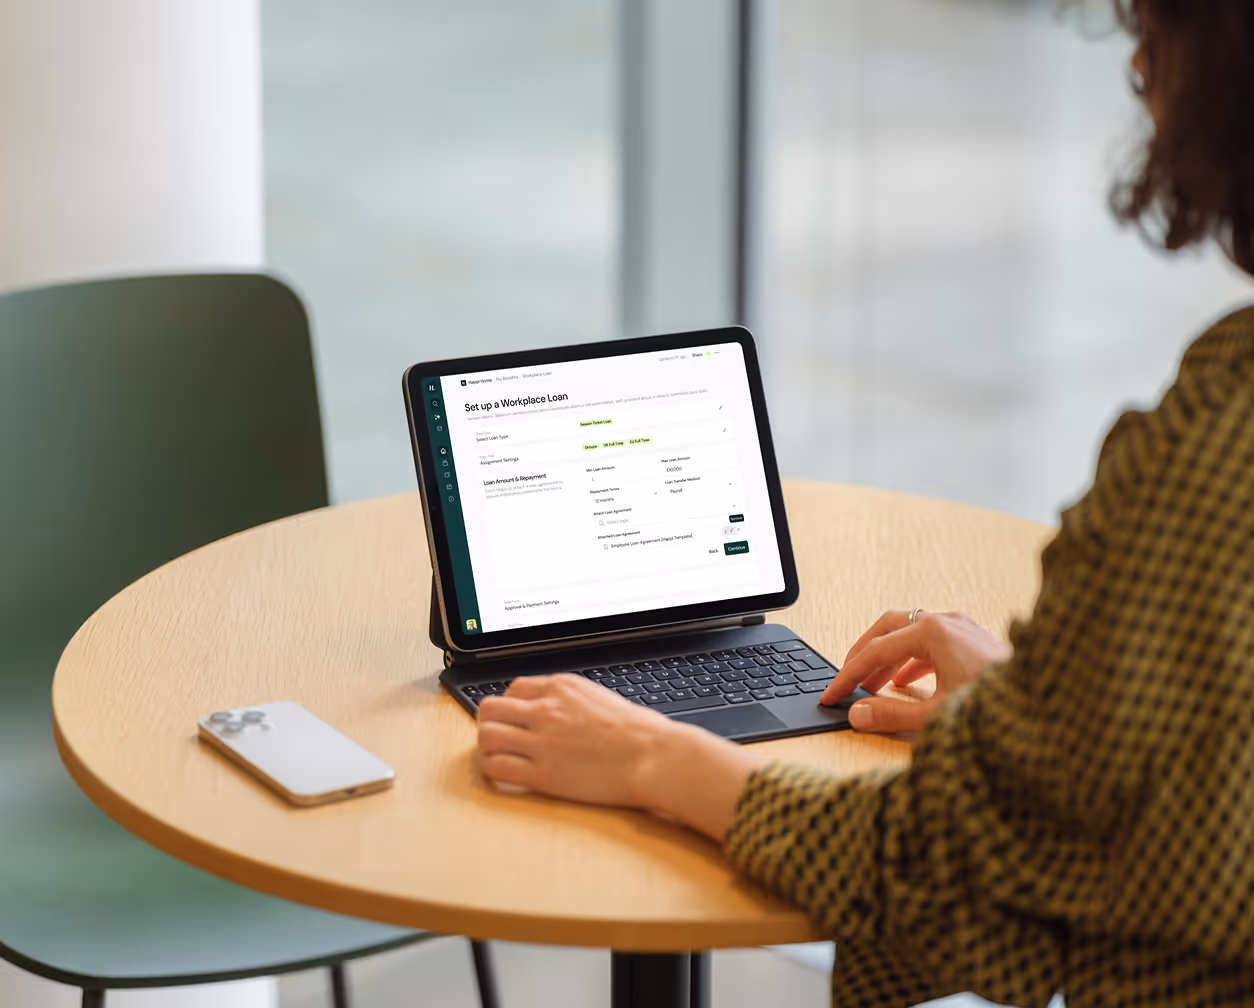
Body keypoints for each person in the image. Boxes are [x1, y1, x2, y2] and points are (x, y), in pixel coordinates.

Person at [478, 2, 1254, 1004]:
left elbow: (938, 865)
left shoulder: (1215, 446)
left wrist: (653, 757)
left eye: (1155, 32)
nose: (1141, 70)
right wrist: (1052, 713)